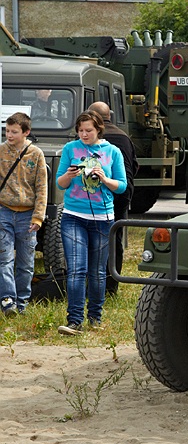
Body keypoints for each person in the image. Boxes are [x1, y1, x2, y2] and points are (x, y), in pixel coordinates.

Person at [55, 110, 127, 336]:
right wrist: (69, 176)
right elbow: (59, 183)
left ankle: (95, 317)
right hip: (73, 216)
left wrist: (104, 178)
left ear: (98, 130)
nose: (84, 135)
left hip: (103, 219)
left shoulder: (112, 151)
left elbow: (122, 186)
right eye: (80, 131)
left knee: (97, 272)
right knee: (77, 269)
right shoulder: (70, 149)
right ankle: (74, 321)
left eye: (88, 130)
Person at [87, 101, 138, 296]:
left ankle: (92, 283)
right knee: (115, 238)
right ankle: (111, 286)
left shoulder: (91, 137)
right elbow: (134, 166)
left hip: (97, 193)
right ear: (110, 115)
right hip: (122, 194)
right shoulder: (124, 137)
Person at [0, 113, 47, 316]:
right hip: (4, 211)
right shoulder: (1, 151)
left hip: (27, 215)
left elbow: (42, 187)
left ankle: (22, 301)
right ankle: (7, 299)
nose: (9, 135)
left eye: (14, 132)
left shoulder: (36, 154)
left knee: (26, 263)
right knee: (4, 258)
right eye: (7, 131)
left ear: (26, 132)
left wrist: (38, 216)